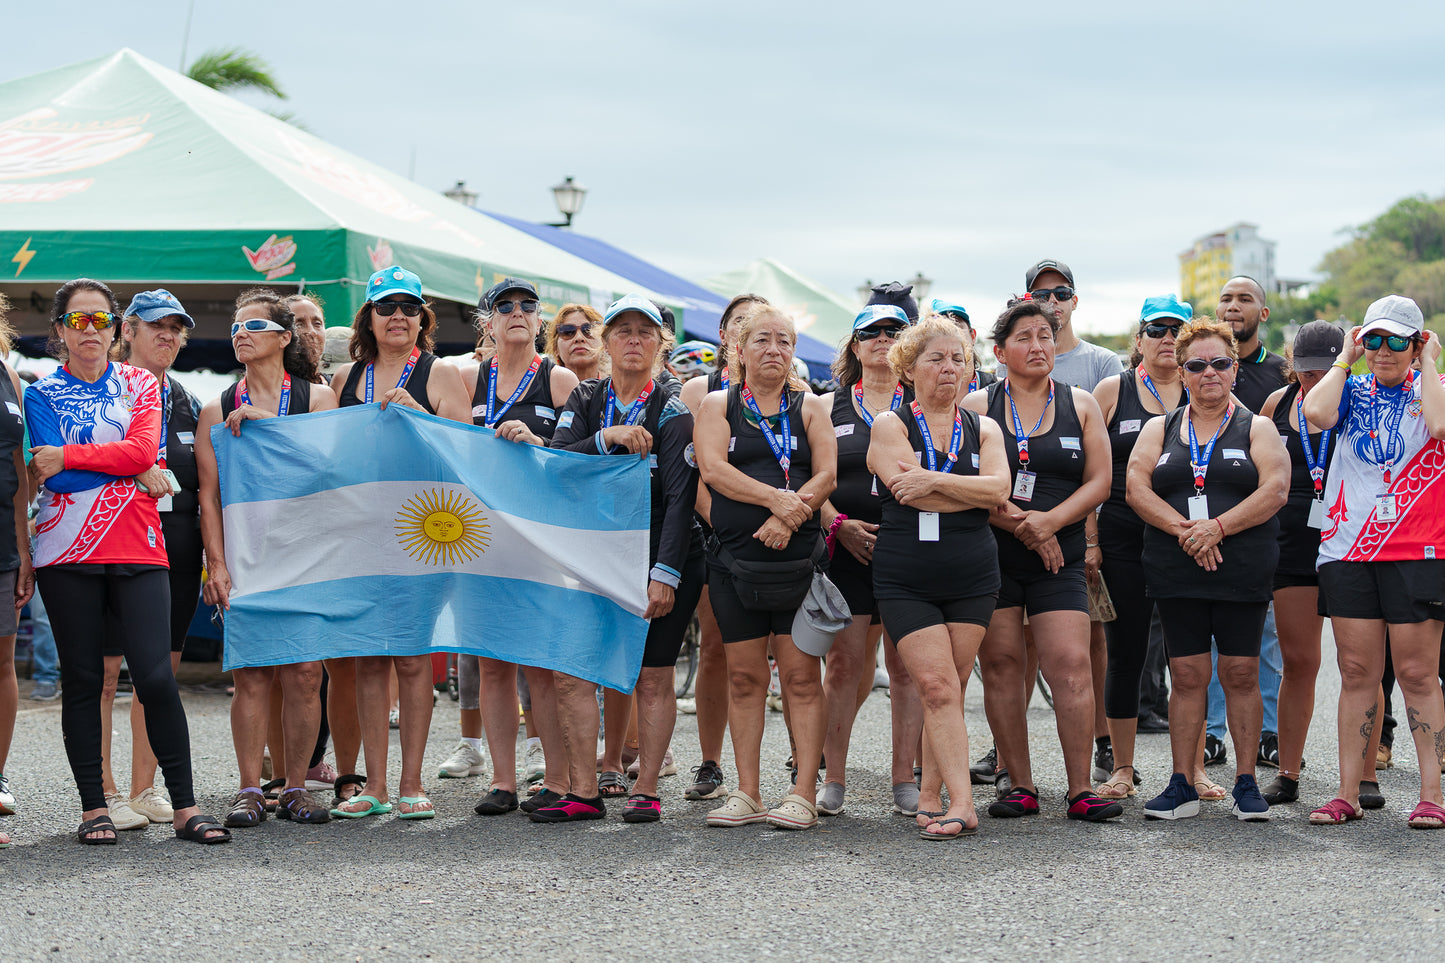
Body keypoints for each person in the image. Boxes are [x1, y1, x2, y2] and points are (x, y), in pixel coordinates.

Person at [26, 278, 226, 844]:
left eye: (99, 320)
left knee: (157, 676)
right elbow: (55, 476)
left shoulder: (141, 382)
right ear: (60, 330)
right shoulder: (40, 394)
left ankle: (184, 807)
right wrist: (111, 465)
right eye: (77, 320)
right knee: (85, 679)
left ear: (116, 328)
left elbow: (141, 452)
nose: (89, 331)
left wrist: (70, 452)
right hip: (66, 552)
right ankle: (95, 808)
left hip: (140, 547)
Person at [537, 295, 703, 822]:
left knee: (652, 676)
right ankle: (584, 792)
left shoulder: (674, 412)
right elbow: (556, 465)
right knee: (572, 672)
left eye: (645, 332)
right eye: (623, 331)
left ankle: (646, 788)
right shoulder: (586, 396)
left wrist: (666, 574)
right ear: (607, 343)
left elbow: (681, 500)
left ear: (660, 344)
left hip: (659, 557)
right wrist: (605, 439)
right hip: (592, 555)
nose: (634, 340)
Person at [963, 297, 1119, 822]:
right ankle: (1020, 784)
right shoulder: (980, 407)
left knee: (1071, 666)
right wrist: (1023, 526)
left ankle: (1080, 789)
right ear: (1000, 351)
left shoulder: (1081, 403)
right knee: (1003, 666)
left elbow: (1099, 480)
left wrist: (1050, 523)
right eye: (1024, 338)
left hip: (1063, 555)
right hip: (994, 554)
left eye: (1046, 337)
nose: (1038, 346)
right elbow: (968, 485)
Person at [325, 266, 472, 820]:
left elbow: (468, 452)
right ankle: (376, 785)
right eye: (387, 307)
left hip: (420, 532)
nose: (398, 317)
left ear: (422, 321)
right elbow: (325, 453)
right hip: (361, 531)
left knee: (412, 660)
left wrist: (422, 419)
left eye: (410, 309)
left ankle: (412, 783)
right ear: (368, 317)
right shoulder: (346, 379)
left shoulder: (440, 375)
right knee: (367, 658)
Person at [1127, 318, 1288, 821]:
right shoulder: (1161, 427)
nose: (1209, 373)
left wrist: (1216, 528)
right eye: (1196, 365)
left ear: (1234, 369)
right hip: (1176, 566)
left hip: (1240, 564)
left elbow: (1275, 489)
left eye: (1220, 362)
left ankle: (1245, 782)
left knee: (1240, 671)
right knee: (1188, 672)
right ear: (1182, 370)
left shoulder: (1256, 427)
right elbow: (1136, 487)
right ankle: (1182, 783)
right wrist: (1185, 531)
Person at [1302, 296, 1445, 828]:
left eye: (1397, 341)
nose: (1384, 351)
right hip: (1348, 547)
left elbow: (1439, 426)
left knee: (1416, 673)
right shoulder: (1352, 387)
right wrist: (1345, 356)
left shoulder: (1435, 387)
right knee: (1357, 670)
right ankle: (1347, 792)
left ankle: (1431, 793)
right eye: (1375, 340)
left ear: (1417, 342)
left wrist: (1428, 362)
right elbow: (1316, 415)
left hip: (1416, 548)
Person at [197, 288, 338, 828]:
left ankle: (296, 787)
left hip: (308, 557)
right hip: (249, 555)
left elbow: (329, 476)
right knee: (252, 675)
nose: (240, 333)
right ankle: (250, 789)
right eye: (236, 326)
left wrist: (270, 428)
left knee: (305, 673)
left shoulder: (319, 399)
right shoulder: (217, 407)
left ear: (284, 337)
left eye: (253, 326)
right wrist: (217, 564)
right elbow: (209, 497)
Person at [867, 317, 1010, 839]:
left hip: (973, 574)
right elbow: (909, 491)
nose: (949, 368)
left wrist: (935, 479)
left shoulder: (985, 427)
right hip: (906, 576)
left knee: (949, 687)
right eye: (936, 359)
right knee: (936, 684)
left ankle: (930, 793)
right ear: (908, 368)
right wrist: (962, 488)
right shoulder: (891, 424)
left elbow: (999, 490)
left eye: (958, 359)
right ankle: (964, 803)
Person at [695, 305, 836, 830]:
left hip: (798, 562)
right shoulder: (717, 404)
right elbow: (713, 469)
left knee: (801, 679)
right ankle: (747, 791)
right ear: (738, 348)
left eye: (783, 341)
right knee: (745, 678)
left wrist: (789, 515)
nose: (773, 349)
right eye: (761, 340)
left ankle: (803, 792)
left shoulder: (811, 406)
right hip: (734, 564)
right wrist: (779, 500)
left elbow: (826, 474)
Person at [463, 277, 579, 817]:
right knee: (491, 663)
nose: (515, 313)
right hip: (481, 537)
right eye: (503, 306)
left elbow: (579, 459)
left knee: (542, 663)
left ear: (539, 322)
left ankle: (556, 776)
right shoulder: (468, 377)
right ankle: (503, 780)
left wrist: (540, 445)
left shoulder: (559, 380)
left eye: (526, 306)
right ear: (488, 322)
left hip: (539, 539)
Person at [93, 290, 203, 829]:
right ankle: (105, 791)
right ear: (127, 330)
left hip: (176, 552)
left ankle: (143, 788)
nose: (168, 336)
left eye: (177, 328)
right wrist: (132, 469)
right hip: (110, 544)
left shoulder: (186, 398)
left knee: (159, 675)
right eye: (156, 326)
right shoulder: (101, 388)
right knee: (104, 674)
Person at [816, 305, 921, 818]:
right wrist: (838, 525)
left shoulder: (921, 404)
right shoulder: (826, 406)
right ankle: (831, 776)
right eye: (870, 333)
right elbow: (812, 479)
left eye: (894, 332)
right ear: (854, 348)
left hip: (911, 548)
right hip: (845, 548)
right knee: (843, 665)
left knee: (907, 669)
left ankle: (905, 778)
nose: (882, 339)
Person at [1091, 295, 1189, 799]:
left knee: (1187, 654)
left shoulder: (1208, 388)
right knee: (1125, 651)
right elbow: (1092, 471)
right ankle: (1122, 768)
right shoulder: (1115, 390)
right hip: (1123, 535)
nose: (1167, 338)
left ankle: (1190, 770)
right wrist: (1090, 541)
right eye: (1157, 329)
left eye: (1177, 329)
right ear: (1139, 340)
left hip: (1186, 537)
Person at [678, 293, 770, 802]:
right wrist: (727, 524)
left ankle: (803, 759)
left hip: (782, 537)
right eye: (741, 325)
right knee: (716, 648)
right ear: (725, 337)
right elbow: (688, 471)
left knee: (785, 653)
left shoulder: (795, 392)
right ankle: (711, 763)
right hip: (718, 535)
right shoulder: (700, 391)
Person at [1257, 321, 1346, 804]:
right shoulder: (1277, 403)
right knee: (1300, 660)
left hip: (1350, 539)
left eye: (1322, 371)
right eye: (1304, 372)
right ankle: (1288, 772)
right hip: (1293, 544)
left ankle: (1363, 777)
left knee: (1359, 666)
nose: (1311, 382)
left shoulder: (1355, 399)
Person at [285, 292, 361, 796]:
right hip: (284, 542)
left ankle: (342, 770)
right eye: (298, 322)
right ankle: (285, 769)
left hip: (338, 539)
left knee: (341, 663)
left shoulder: (339, 385)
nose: (310, 331)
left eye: (317, 322)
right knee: (284, 667)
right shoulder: (248, 391)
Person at [1211, 276, 1289, 769]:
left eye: (1245, 300)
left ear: (1262, 313)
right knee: (1213, 637)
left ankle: (1268, 731)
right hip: (1207, 523)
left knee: (1264, 634)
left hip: (1262, 522)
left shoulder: (1284, 374)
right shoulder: (1201, 366)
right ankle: (1214, 732)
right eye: (1226, 299)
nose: (1234, 307)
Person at [0, 295, 29, 848]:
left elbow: (20, 471)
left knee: (2, 660)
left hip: (2, 540)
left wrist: (26, 549)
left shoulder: (9, 374)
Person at [926, 300, 996, 391]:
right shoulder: (917, 393)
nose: (952, 334)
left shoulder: (999, 390)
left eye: (957, 325)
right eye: (940, 330)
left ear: (973, 336)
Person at [545, 303, 606, 383]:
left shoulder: (618, 392)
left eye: (588, 330)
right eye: (568, 332)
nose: (579, 338)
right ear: (555, 348)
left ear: (604, 344)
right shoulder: (542, 393)